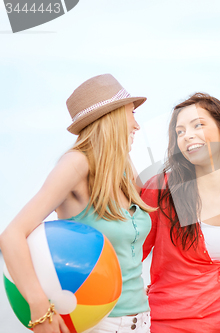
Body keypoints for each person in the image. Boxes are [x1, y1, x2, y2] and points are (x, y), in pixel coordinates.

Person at [0, 74, 154, 333]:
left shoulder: (125, 168)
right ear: (112, 117)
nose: (136, 125)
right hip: (98, 324)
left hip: (141, 321)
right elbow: (11, 235)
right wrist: (39, 308)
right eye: (132, 113)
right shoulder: (76, 164)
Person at [140, 93, 220, 332]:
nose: (187, 136)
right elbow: (130, 252)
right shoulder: (161, 188)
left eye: (198, 125)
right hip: (166, 324)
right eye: (180, 131)